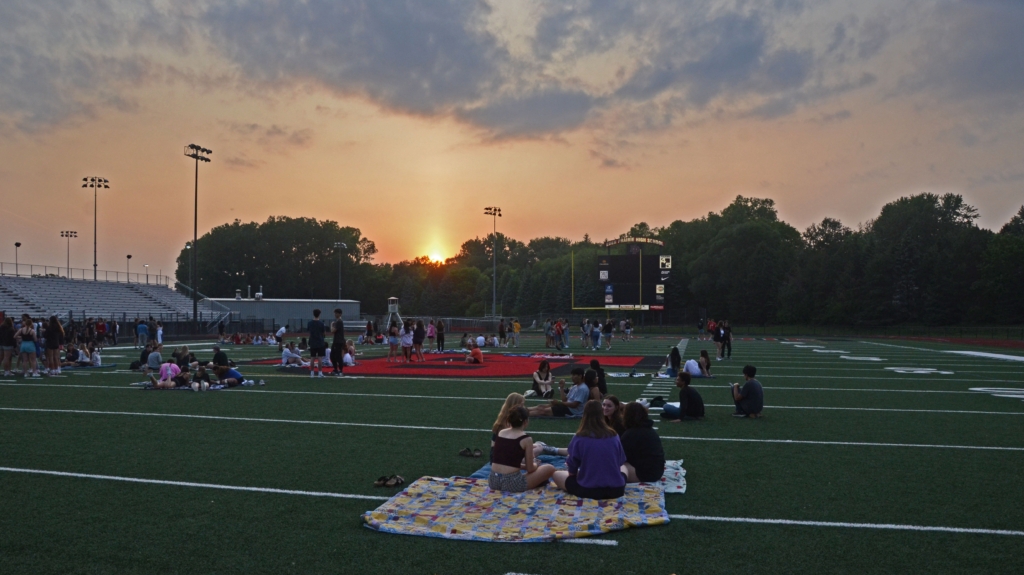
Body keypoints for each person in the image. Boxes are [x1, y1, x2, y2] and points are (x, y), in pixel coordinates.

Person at [551, 400, 627, 500]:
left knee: (556, 474)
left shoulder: (579, 437)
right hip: (616, 490)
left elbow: (572, 470)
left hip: (588, 490)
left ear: (585, 415)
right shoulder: (614, 435)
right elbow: (620, 462)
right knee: (624, 468)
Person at [489, 406, 557, 492]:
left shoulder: (501, 433)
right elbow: (530, 469)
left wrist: (525, 466)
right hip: (511, 483)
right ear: (525, 422)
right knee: (549, 468)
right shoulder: (526, 439)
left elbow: (507, 462)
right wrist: (536, 464)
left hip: (493, 481)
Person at [621, 402, 666, 483]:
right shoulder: (649, 429)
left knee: (614, 467)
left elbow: (620, 457)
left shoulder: (631, 434)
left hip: (646, 474)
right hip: (657, 471)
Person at [307, 309, 327, 378]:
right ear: (319, 314)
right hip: (320, 342)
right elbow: (324, 333)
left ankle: (312, 373)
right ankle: (320, 373)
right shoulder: (321, 323)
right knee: (320, 358)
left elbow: (309, 331)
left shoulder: (309, 323)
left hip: (312, 341)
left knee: (312, 357)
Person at [330, 308, 346, 376]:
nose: (335, 314)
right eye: (335, 313)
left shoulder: (339, 322)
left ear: (340, 314)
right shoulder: (338, 321)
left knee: (338, 356)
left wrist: (331, 325)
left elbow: (332, 331)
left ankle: (340, 370)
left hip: (338, 341)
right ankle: (336, 369)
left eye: (336, 313)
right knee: (333, 355)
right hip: (337, 341)